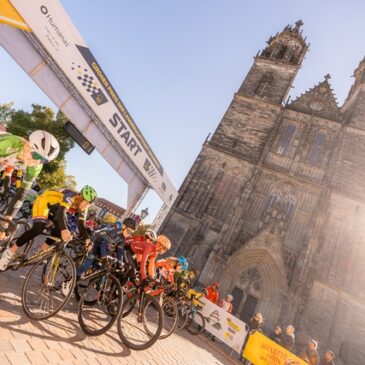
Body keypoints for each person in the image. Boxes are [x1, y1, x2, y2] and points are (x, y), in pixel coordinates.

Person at [0, 185, 97, 271]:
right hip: (44, 202)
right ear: (80, 198)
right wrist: (64, 229)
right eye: (86, 203)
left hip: (55, 207)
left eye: (89, 205)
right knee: (39, 228)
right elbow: (62, 212)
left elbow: (81, 224)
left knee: (62, 229)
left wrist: (87, 238)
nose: (86, 206)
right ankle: (9, 252)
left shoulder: (84, 208)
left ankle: (42, 249)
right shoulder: (71, 196)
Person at [0, 131, 60, 235]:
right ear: (27, 145)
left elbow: (21, 194)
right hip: (4, 150)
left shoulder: (36, 167)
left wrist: (5, 222)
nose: (37, 162)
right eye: (36, 155)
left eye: (43, 160)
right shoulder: (10, 144)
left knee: (6, 190)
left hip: (7, 164)